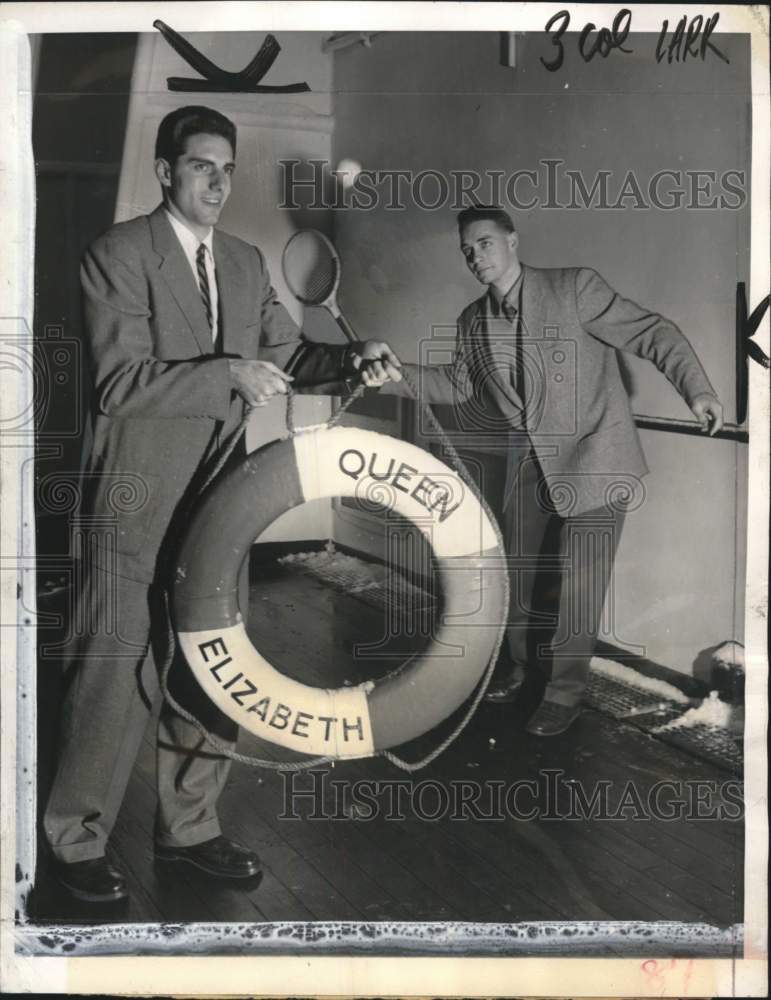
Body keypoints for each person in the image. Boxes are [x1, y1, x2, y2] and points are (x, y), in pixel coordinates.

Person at [43, 105, 401, 903]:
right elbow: (117, 381)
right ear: (166, 172)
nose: (217, 180)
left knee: (214, 663)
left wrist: (350, 359)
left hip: (218, 502)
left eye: (227, 168)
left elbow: (291, 352)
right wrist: (228, 375)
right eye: (201, 165)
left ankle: (190, 828)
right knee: (115, 666)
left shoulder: (242, 262)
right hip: (132, 497)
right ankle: (75, 838)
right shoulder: (118, 253)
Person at [380, 205, 723, 738]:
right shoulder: (473, 320)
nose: (476, 257)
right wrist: (395, 373)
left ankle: (564, 695)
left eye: (486, 243)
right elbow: (460, 386)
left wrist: (697, 390)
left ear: (513, 241)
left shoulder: (574, 288)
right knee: (515, 571)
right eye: (467, 250)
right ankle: (520, 668)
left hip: (596, 458)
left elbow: (654, 332)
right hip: (529, 462)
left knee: (577, 585)